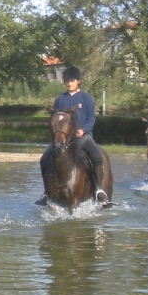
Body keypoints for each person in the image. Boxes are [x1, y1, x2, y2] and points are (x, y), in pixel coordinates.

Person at [36, 65, 109, 205]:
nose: (69, 83)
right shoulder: (59, 100)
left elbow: (91, 119)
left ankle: (99, 189)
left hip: (83, 137)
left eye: (72, 81)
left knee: (97, 156)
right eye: (67, 81)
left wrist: (83, 130)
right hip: (63, 139)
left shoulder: (87, 98)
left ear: (78, 81)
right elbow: (56, 119)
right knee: (44, 159)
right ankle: (46, 192)